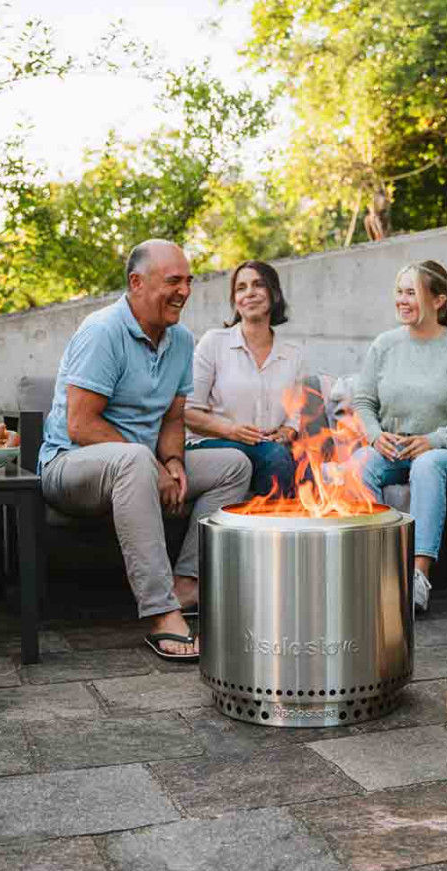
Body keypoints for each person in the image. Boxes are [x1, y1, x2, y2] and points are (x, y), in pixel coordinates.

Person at [38, 240, 252, 660]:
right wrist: (152, 463)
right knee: (135, 459)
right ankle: (159, 613)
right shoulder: (103, 331)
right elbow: (81, 425)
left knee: (234, 465)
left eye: (188, 281)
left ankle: (186, 583)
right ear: (136, 283)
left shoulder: (181, 340)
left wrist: (172, 461)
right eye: (173, 281)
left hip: (140, 464)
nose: (185, 291)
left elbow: (173, 417)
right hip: (70, 467)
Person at [353, 260, 447, 613]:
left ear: (438, 300)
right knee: (359, 464)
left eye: (411, 292)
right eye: (399, 292)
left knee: (426, 465)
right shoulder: (384, 345)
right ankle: (374, 568)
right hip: (393, 447)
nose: (402, 300)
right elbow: (364, 401)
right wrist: (374, 435)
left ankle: (417, 578)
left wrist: (434, 440)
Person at [184, 260, 303, 497]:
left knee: (309, 466)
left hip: (268, 447)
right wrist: (230, 430)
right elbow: (187, 412)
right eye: (241, 288)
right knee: (276, 458)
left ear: (274, 294)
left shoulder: (293, 353)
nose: (249, 293)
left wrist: (286, 433)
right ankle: (270, 529)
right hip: (214, 443)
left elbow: (294, 417)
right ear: (235, 301)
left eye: (258, 285)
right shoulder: (214, 342)